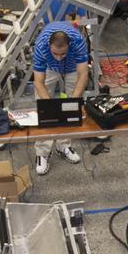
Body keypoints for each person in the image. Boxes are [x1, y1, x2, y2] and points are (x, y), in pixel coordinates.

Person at [32, 22, 88, 176]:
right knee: (44, 109)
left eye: (62, 53)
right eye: (55, 53)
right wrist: (50, 106)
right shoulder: (40, 46)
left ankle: (63, 145)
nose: (58, 58)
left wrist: (74, 102)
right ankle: (42, 152)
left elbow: (83, 75)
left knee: (70, 110)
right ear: (49, 46)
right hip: (48, 69)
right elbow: (38, 82)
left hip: (72, 69)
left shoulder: (78, 41)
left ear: (69, 45)